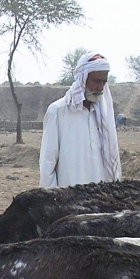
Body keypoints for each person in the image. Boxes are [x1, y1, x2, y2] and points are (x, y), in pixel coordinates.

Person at [38, 52, 121, 188]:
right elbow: (47, 164)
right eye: (96, 81)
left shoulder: (103, 116)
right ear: (83, 78)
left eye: (103, 82)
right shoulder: (58, 111)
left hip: (100, 198)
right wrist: (53, 201)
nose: (100, 88)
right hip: (69, 200)